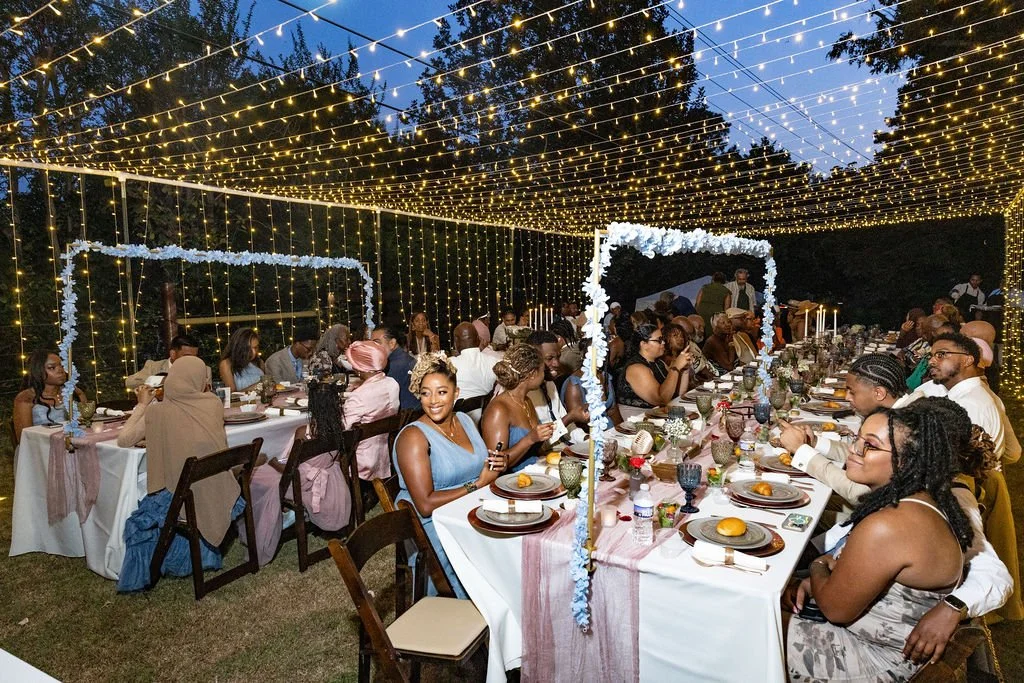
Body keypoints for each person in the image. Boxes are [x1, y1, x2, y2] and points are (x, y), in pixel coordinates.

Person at [784, 400, 973, 682]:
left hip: (872, 661)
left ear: (906, 461)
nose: (854, 450)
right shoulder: (924, 502)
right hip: (889, 650)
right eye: (857, 439)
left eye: (870, 445)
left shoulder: (889, 525)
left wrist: (819, 566)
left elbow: (835, 610)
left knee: (751, 622)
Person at [116, 356, 242, 591]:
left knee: (140, 519)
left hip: (183, 493)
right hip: (216, 487)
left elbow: (124, 440)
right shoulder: (213, 403)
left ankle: (150, 570)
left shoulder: (159, 413)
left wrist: (143, 404)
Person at [394, 353, 504, 599]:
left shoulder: (465, 420)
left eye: (442, 392)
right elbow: (424, 505)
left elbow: (480, 465)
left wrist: (496, 464)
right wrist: (477, 484)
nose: (433, 401)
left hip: (468, 513)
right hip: (435, 529)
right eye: (425, 393)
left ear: (456, 393)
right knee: (494, 574)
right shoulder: (414, 438)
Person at [244, 378, 354, 566]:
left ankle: (264, 526)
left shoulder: (304, 431)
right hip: (330, 477)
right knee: (265, 473)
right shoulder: (341, 428)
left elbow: (290, 470)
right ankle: (285, 515)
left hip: (302, 482)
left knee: (255, 477)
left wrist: (272, 462)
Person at [779, 354, 908, 514]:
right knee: (808, 500)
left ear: (879, 393)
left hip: (880, 516)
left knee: (795, 509)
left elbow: (859, 493)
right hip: (880, 507)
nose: (847, 397)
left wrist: (802, 451)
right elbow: (859, 452)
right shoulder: (900, 412)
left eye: (852, 392)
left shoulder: (903, 426)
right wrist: (815, 443)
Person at [919, 333, 1013, 464]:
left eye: (941, 354)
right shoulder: (966, 395)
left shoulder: (969, 405)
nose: (931, 361)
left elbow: (957, 463)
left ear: (968, 360)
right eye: (931, 356)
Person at [481, 344, 555, 472]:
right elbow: (495, 465)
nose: (544, 376)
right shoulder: (499, 410)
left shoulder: (527, 401)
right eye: (543, 371)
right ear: (532, 374)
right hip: (511, 482)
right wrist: (530, 438)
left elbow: (533, 449)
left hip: (534, 470)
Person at [343, 341, 401, 482]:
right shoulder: (393, 383)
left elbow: (342, 430)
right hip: (385, 455)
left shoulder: (359, 397)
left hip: (361, 462)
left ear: (360, 367)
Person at [527, 330, 588, 443]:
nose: (557, 363)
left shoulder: (549, 383)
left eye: (558, 357)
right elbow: (537, 443)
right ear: (533, 359)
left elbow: (566, 426)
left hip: (561, 448)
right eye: (549, 358)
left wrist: (586, 439)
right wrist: (570, 417)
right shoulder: (524, 393)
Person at [13, 350, 85, 443]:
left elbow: (86, 422)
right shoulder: (26, 398)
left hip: (76, 444)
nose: (61, 371)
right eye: (52, 368)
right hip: (41, 449)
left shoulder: (72, 391)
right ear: (38, 371)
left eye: (62, 366)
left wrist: (81, 395)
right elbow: (24, 439)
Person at [616, 324, 691, 409]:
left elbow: (677, 394)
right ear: (644, 344)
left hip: (657, 415)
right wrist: (675, 368)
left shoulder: (659, 363)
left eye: (662, 339)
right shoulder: (636, 368)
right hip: (638, 418)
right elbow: (661, 400)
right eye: (659, 340)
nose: (663, 342)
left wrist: (685, 370)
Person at [561, 339, 623, 429]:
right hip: (590, 434)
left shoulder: (605, 376)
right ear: (584, 355)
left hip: (609, 430)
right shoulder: (574, 384)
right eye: (595, 353)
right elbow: (578, 423)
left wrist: (622, 432)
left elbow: (613, 411)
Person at [449, 322, 501, 422]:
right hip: (486, 418)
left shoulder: (449, 364)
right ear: (478, 339)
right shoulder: (494, 362)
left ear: (455, 341)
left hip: (456, 421)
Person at [371, 324, 419, 410]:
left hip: (403, 418)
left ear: (392, 343)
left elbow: (378, 398)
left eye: (377, 343)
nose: (373, 347)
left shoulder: (395, 365)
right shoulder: (403, 359)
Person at [125, 334, 200, 389]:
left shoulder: (203, 370)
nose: (191, 360)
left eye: (194, 357)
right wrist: (161, 380)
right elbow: (130, 382)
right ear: (173, 354)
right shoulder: (153, 366)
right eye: (186, 356)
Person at [218, 327, 264, 392]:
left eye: (255, 347)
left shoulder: (259, 362)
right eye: (248, 348)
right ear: (239, 347)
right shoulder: (226, 364)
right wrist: (256, 387)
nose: (254, 352)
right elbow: (232, 395)